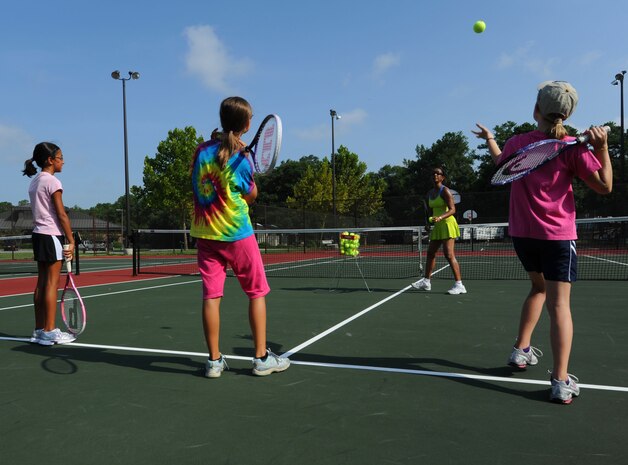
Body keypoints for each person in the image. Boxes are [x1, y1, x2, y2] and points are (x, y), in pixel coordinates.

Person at [473, 81, 612, 404]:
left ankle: (521, 351)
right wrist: (602, 148)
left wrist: (492, 139)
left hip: (523, 236)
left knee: (538, 288)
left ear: (535, 110)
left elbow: (501, 163)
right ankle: (561, 380)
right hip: (557, 238)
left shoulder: (518, 143)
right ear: (568, 114)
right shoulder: (575, 149)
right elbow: (605, 186)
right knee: (559, 304)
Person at [190, 96, 290, 378]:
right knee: (256, 293)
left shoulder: (200, 151)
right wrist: (241, 156)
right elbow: (251, 195)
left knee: (211, 296)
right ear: (246, 125)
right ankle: (260, 358)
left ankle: (213, 362)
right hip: (237, 234)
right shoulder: (243, 159)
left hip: (206, 235)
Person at [22, 142, 76, 345]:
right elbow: (61, 214)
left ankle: (38, 330)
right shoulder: (52, 182)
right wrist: (70, 240)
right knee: (52, 284)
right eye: (60, 157)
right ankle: (50, 331)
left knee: (41, 284)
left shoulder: (35, 181)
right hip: (51, 235)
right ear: (50, 160)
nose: (63, 161)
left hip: (38, 235)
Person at [411, 167, 467, 295]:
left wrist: (440, 217)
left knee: (448, 254)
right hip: (437, 225)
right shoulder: (429, 193)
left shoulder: (445, 191)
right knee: (430, 253)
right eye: (433, 174)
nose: (435, 175)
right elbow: (430, 212)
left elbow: (453, 209)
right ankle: (426, 282)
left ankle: (459, 285)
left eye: (438, 173)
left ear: (443, 177)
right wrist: (428, 223)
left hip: (447, 224)